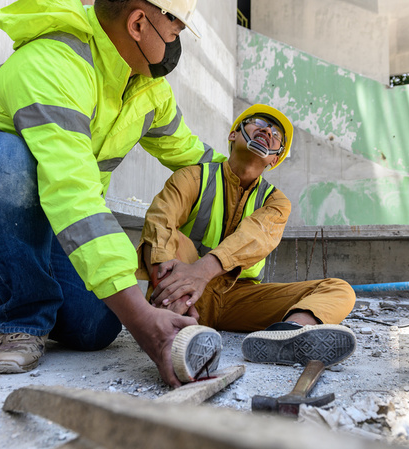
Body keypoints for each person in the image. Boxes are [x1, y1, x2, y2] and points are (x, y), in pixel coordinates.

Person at [0, 0, 227, 387]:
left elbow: (193, 156)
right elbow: (72, 192)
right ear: (138, 23)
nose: (176, 42)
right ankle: (22, 318)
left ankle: (7, 275)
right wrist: (142, 318)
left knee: (97, 327)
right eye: (175, 29)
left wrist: (247, 175)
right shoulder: (55, 60)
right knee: (4, 161)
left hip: (43, 209)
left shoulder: (147, 89)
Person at [139, 104, 357, 369]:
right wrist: (176, 288)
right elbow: (159, 223)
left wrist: (203, 271)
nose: (267, 130)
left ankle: (288, 334)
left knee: (339, 289)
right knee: (168, 237)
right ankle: (173, 329)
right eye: (258, 122)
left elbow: (254, 237)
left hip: (239, 299)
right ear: (233, 135)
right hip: (183, 289)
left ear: (274, 159)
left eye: (277, 134)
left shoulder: (276, 202)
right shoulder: (195, 176)